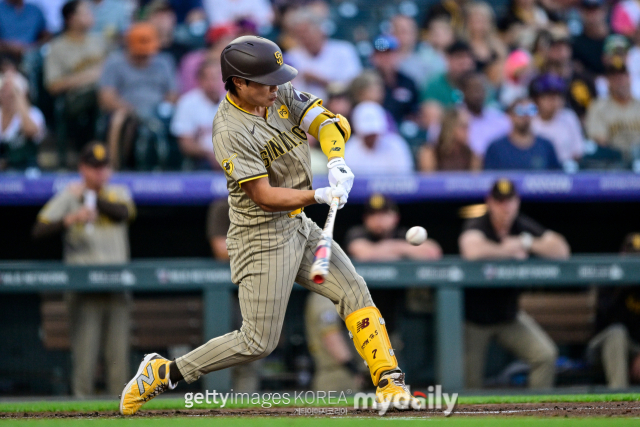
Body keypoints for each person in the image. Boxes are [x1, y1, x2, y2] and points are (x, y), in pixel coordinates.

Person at [120, 35, 419, 415]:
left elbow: (326, 121)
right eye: (265, 80)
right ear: (239, 82)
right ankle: (164, 372)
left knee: (355, 291)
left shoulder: (276, 92)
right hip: (260, 234)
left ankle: (390, 383)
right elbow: (263, 195)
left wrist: (336, 161)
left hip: (297, 223)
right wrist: (319, 196)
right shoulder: (228, 129)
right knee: (258, 341)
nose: (275, 86)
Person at [32, 142, 136, 397]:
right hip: (83, 288)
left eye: (103, 167)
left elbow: (123, 214)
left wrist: (92, 199)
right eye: (93, 167)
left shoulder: (117, 192)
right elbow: (38, 230)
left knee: (118, 360)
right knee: (84, 359)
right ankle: (81, 414)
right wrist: (70, 218)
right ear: (82, 168)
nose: (99, 173)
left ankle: (121, 415)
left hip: (116, 286)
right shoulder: (69, 195)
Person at [459, 178, 569, 389]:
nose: (505, 207)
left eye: (509, 201)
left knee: (545, 356)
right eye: (500, 201)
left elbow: (562, 250)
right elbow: (471, 249)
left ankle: (538, 414)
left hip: (509, 317)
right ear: (489, 202)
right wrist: (507, 251)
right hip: (474, 321)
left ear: (517, 202)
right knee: (468, 384)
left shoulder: (521, 226)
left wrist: (525, 242)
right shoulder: (479, 222)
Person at [98, 22, 178, 169]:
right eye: (139, 53)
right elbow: (106, 97)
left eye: (147, 53)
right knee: (120, 118)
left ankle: (172, 167)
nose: (143, 56)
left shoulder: (164, 62)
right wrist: (132, 110)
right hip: (127, 111)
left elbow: (173, 93)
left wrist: (162, 108)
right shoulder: (114, 62)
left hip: (157, 111)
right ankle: (117, 166)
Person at [45, 0, 107, 157]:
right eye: (85, 13)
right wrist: (88, 77)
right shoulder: (57, 46)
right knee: (99, 93)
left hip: (103, 95)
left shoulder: (98, 41)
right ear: (71, 18)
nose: (90, 16)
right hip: (74, 99)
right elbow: (52, 86)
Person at [588, 232, 640, 389]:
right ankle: (620, 401)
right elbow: (605, 321)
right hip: (603, 346)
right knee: (617, 333)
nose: (635, 263)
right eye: (632, 257)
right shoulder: (610, 278)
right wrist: (623, 285)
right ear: (622, 255)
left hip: (636, 348)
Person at [285, 8, 361, 103]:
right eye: (299, 34)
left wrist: (320, 80)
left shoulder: (344, 50)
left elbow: (355, 87)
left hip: (342, 107)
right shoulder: (291, 57)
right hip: (305, 110)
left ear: (320, 30)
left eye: (306, 32)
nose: (304, 37)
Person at [345, 194, 442, 262]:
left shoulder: (403, 234)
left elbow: (433, 252)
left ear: (396, 218)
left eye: (384, 214)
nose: (378, 219)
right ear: (365, 218)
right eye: (372, 214)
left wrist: (390, 249)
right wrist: (405, 252)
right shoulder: (357, 232)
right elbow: (365, 255)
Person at [305, 292, 363, 392]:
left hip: (340, 373)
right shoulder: (324, 296)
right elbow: (331, 337)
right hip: (336, 376)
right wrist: (354, 370)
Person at [170, 60, 223, 169]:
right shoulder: (187, 103)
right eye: (208, 78)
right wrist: (211, 154)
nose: (212, 82)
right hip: (202, 160)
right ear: (200, 80)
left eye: (216, 77)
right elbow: (186, 145)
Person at [585, 60, 640, 163]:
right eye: (615, 78)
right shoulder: (598, 106)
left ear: (630, 78)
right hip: (613, 163)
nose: (620, 81)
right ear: (608, 82)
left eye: (623, 76)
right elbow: (600, 141)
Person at [484, 98, 562, 170]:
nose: (525, 115)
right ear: (510, 115)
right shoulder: (496, 148)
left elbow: (557, 177)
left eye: (531, 110)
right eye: (520, 110)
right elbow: (489, 179)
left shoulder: (546, 146)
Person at [344, 101, 414, 175]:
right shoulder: (348, 151)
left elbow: (405, 179)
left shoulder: (396, 145)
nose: (371, 136)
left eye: (374, 132)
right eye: (367, 134)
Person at [530, 73, 584, 163]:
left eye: (557, 96)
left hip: (566, 171)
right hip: (537, 171)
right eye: (548, 96)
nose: (553, 100)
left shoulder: (568, 117)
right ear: (537, 99)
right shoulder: (530, 120)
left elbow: (578, 153)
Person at [391, 14, 448, 97]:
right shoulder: (383, 59)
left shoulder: (429, 58)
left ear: (414, 34)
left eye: (406, 31)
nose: (403, 35)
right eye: (399, 30)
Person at [370, 34, 419, 126]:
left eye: (389, 53)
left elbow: (414, 113)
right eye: (381, 54)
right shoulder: (366, 83)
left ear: (397, 55)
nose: (385, 58)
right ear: (374, 57)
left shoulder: (408, 82)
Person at [0, 71, 45, 170]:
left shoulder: (34, 113)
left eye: (10, 92)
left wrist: (19, 97)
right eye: (3, 91)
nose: (6, 95)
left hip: (26, 169)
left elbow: (31, 131)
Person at [459, 71, 511, 157]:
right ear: (463, 91)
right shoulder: (453, 118)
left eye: (480, 88)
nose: (477, 93)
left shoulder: (499, 118)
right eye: (473, 89)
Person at [419, 108, 481, 172]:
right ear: (450, 127)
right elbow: (428, 180)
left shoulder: (472, 156)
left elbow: (475, 180)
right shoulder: (430, 153)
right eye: (464, 127)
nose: (467, 131)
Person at [421, 40, 475, 108]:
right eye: (459, 57)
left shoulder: (479, 84)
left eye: (468, 57)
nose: (465, 62)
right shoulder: (434, 84)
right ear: (448, 59)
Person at [462, 2, 506, 72]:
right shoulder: (462, 45)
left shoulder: (497, 46)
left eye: (482, 21)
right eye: (475, 21)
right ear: (468, 22)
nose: (478, 25)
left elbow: (504, 69)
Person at [572, 0, 609, 76]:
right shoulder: (576, 45)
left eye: (595, 9)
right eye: (588, 9)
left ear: (604, 10)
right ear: (581, 12)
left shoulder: (618, 39)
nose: (592, 14)